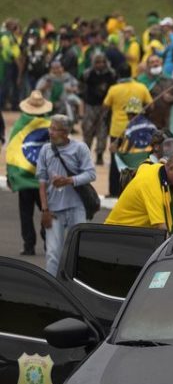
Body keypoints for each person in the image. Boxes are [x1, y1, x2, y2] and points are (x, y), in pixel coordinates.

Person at [36, 115, 97, 275]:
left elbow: (91, 174)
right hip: (53, 211)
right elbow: (42, 181)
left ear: (65, 132)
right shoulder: (45, 150)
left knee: (77, 251)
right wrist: (44, 210)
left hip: (77, 208)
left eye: (54, 129)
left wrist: (69, 180)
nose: (50, 132)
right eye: (50, 128)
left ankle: (74, 289)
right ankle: (51, 291)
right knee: (52, 254)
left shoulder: (80, 148)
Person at [6, 91, 53, 256]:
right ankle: (49, 241)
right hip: (44, 180)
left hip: (24, 178)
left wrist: (11, 176)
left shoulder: (19, 126)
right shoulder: (50, 125)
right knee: (46, 210)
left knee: (26, 214)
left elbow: (12, 152)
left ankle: (29, 245)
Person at [105, 151, 173, 234]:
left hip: (129, 235)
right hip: (116, 235)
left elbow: (144, 165)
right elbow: (162, 229)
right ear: (171, 168)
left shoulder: (158, 170)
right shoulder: (153, 186)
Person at [79, 51, 118, 166]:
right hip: (90, 106)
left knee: (103, 132)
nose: (100, 64)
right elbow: (81, 89)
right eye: (97, 62)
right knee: (87, 131)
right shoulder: (87, 74)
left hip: (105, 108)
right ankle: (85, 156)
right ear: (93, 63)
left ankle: (100, 155)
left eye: (102, 62)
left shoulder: (112, 74)